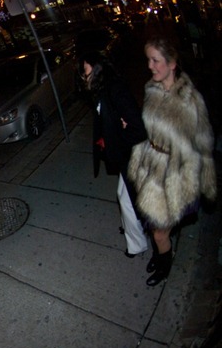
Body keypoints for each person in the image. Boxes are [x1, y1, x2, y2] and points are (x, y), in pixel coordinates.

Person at [127, 35, 217, 286]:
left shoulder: (190, 101)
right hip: (150, 167)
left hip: (174, 176)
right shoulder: (151, 89)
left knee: (159, 232)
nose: (150, 66)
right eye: (148, 60)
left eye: (155, 60)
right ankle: (160, 256)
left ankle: (164, 266)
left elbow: (204, 144)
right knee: (152, 225)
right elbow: (148, 129)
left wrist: (206, 184)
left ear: (172, 63)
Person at [79, 51, 150, 259]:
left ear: (97, 68)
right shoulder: (102, 88)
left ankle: (137, 244)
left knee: (128, 199)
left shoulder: (116, 89)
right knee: (124, 196)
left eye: (86, 71)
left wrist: (117, 136)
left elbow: (138, 129)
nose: (84, 76)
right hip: (124, 155)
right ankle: (133, 228)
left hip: (133, 155)